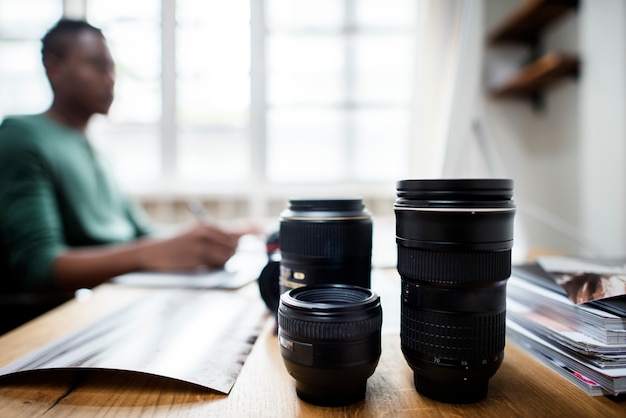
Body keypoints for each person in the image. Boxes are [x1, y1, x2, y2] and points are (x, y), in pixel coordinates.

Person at [0, 19, 244, 294]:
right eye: (97, 65)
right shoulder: (21, 136)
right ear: (53, 68)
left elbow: (142, 233)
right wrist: (148, 254)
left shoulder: (95, 151)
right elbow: (38, 266)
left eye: (112, 67)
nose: (111, 78)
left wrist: (209, 239)